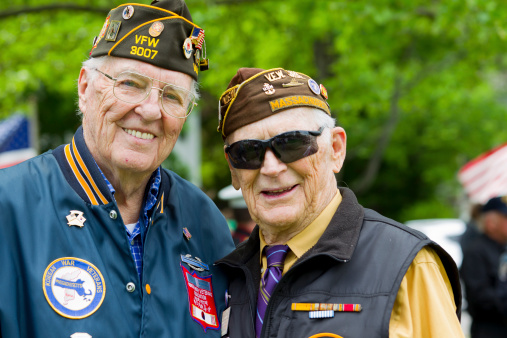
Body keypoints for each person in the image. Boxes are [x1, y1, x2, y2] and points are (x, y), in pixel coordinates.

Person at [0, 1, 234, 337]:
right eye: (131, 84)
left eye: (172, 96)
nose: (151, 110)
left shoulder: (205, 222)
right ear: (84, 88)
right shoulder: (8, 206)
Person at [214, 67, 464, 338]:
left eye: (292, 143)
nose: (271, 167)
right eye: (247, 152)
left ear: (335, 148)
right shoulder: (224, 276)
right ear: (233, 170)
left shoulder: (408, 265)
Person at [460, 196, 507, 338]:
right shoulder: (476, 252)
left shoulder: (502, 248)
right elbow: (481, 299)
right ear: (491, 223)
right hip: (489, 331)